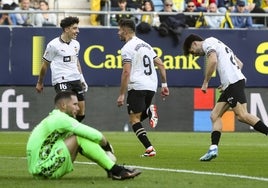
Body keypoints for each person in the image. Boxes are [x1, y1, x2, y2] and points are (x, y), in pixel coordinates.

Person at [183, 34, 268, 161]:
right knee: (214, 115)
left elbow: (213, 61)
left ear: (195, 43)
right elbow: (240, 63)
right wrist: (226, 82)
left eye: (192, 52)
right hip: (231, 83)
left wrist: (206, 81)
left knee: (242, 115)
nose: (195, 55)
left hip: (233, 82)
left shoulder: (208, 43)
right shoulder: (220, 44)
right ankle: (213, 149)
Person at [26, 91, 141, 180]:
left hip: (41, 169)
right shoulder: (61, 119)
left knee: (79, 138)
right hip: (43, 169)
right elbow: (96, 135)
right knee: (79, 137)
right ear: (63, 105)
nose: (78, 108)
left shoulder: (55, 118)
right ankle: (116, 170)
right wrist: (107, 146)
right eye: (75, 104)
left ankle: (112, 169)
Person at [116, 18, 169, 157]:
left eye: (119, 30)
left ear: (125, 30)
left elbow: (126, 72)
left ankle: (150, 148)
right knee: (137, 117)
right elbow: (161, 65)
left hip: (137, 85)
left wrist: (122, 94)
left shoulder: (127, 48)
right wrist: (164, 85)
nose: (118, 32)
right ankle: (149, 147)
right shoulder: (146, 45)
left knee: (134, 120)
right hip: (151, 85)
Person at [35, 16, 88, 123]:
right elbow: (45, 65)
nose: (77, 31)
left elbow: (76, 62)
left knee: (81, 112)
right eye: (74, 28)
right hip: (61, 80)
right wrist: (40, 82)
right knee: (67, 109)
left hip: (75, 79)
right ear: (66, 29)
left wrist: (82, 79)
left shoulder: (76, 44)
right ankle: (52, 128)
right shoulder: (53, 45)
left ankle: (70, 133)